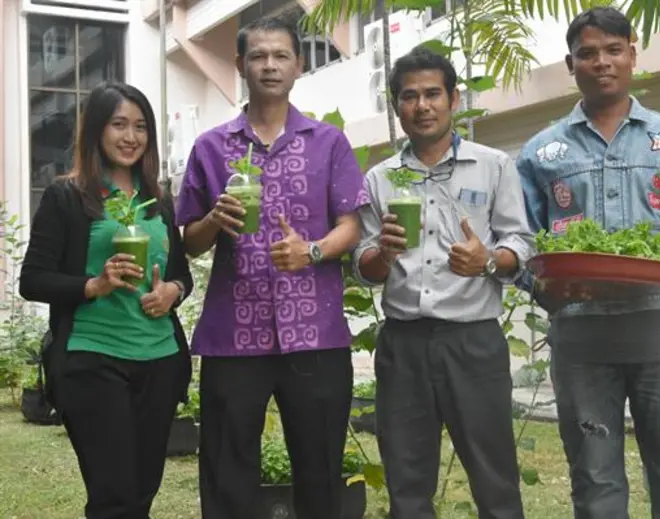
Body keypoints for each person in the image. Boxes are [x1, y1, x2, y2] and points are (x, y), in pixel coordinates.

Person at [516, 7, 660, 519]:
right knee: (595, 484)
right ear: (570, 64)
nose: (602, 62)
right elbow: (523, 244)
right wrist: (544, 289)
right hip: (581, 342)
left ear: (633, 55)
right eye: (588, 54)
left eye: (614, 50)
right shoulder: (541, 152)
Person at [175, 16, 369, 519]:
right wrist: (215, 218)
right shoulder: (211, 147)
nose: (269, 65)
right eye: (258, 56)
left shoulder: (329, 143)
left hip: (316, 332)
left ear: (298, 65)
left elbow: (352, 223)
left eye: (280, 56)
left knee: (321, 469)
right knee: (226, 467)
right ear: (240, 64)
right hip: (233, 334)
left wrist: (315, 251)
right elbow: (189, 242)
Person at [355, 46, 533, 519]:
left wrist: (489, 259)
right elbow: (365, 266)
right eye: (410, 96)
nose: (422, 105)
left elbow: (522, 244)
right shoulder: (380, 178)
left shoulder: (494, 166)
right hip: (404, 344)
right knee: (407, 484)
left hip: (473, 340)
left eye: (433, 93)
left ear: (454, 98)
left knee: (495, 477)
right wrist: (385, 253)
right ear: (397, 107)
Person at [19, 81, 194, 518]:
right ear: (97, 129)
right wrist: (92, 285)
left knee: (141, 492)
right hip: (92, 360)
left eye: (140, 127)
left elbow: (180, 274)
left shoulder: (158, 201)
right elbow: (33, 280)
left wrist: (173, 292)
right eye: (119, 124)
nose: (130, 137)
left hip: (159, 360)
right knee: (113, 495)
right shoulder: (68, 196)